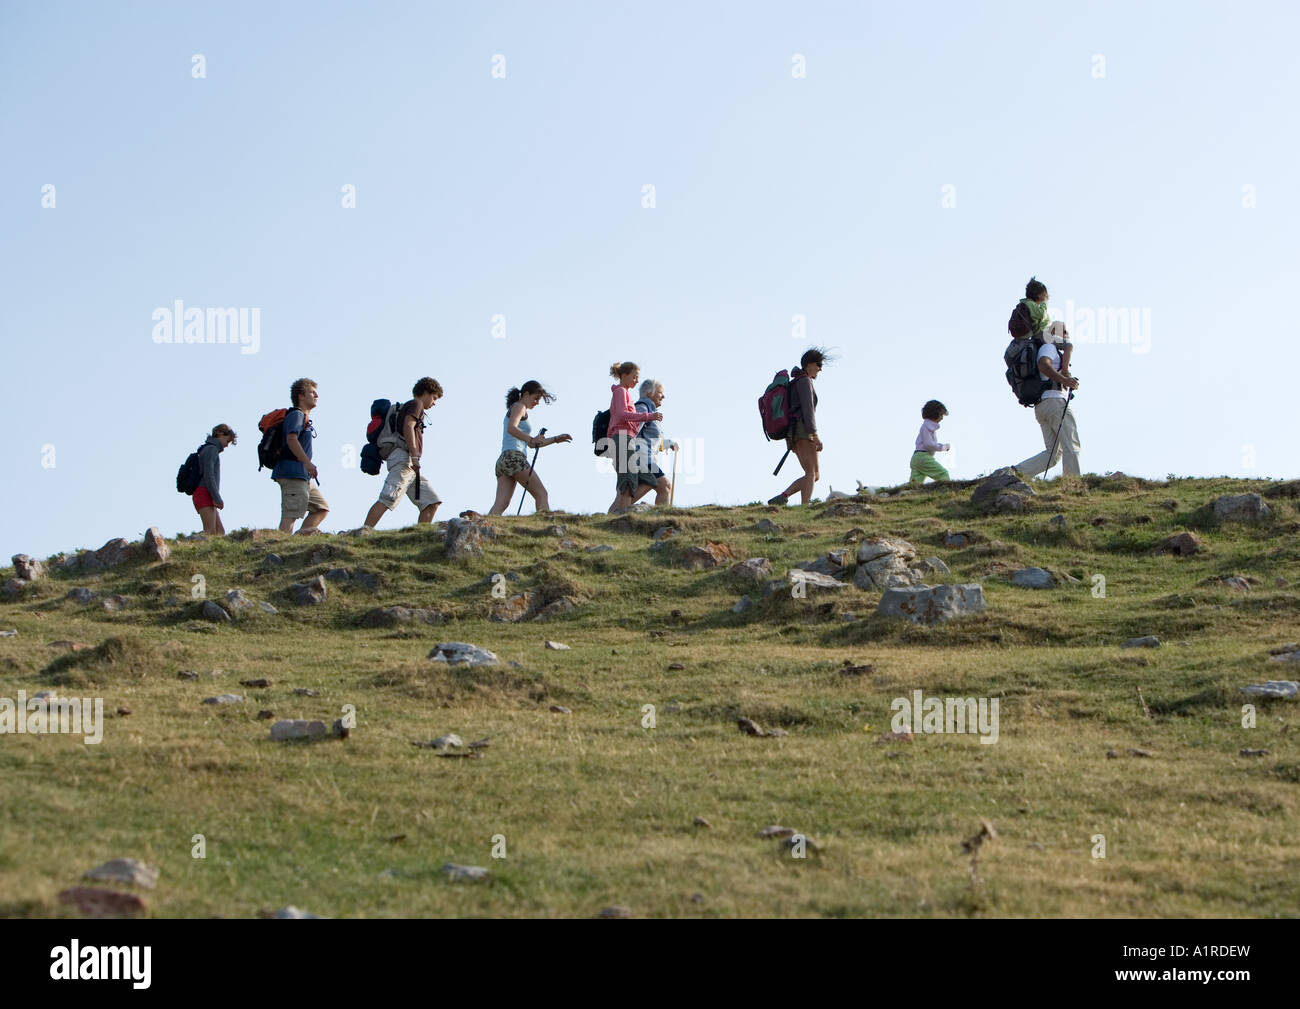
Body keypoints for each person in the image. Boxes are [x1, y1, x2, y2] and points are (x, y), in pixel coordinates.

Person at [363, 377, 444, 529]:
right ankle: (364, 531)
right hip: (404, 459)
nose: (434, 403)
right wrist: (414, 456)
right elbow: (408, 426)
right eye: (434, 398)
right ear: (425, 392)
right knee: (388, 497)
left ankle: (420, 537)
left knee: (431, 502)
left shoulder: (411, 405)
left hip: (409, 464)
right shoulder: (416, 404)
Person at [488, 381, 571, 515]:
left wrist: (555, 439)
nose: (537, 402)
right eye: (536, 398)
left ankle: (485, 525)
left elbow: (532, 444)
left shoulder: (517, 408)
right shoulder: (520, 407)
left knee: (501, 503)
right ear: (526, 394)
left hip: (504, 459)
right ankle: (545, 525)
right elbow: (511, 428)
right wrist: (531, 439)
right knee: (541, 494)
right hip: (515, 457)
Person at [1014, 325, 1081, 477]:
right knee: (1071, 444)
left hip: (1043, 405)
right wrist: (1064, 379)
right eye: (1064, 331)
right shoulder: (1049, 347)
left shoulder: (1049, 348)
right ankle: (1073, 484)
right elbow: (1043, 364)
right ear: (1053, 333)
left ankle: (1016, 473)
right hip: (1055, 402)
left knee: (1053, 454)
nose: (1067, 334)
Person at [768, 348, 827, 506]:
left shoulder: (795, 383)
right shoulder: (804, 381)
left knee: (814, 474)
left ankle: (784, 496)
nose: (821, 368)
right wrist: (815, 436)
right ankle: (804, 506)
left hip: (793, 433)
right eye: (819, 364)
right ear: (809, 365)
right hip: (803, 431)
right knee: (810, 472)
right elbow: (808, 411)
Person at [273, 378, 329, 534]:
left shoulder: (301, 417)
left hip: (302, 475)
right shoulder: (297, 415)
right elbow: (291, 439)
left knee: (321, 508)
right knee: (290, 515)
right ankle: (281, 549)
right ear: (301, 396)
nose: (316, 395)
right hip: (293, 472)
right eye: (312, 392)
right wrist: (307, 463)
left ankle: (300, 539)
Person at [607, 362, 661, 513]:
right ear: (624, 376)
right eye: (634, 377)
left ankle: (617, 512)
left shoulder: (624, 392)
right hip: (622, 438)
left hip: (628, 440)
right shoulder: (620, 392)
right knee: (628, 481)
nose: (637, 381)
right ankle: (622, 515)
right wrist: (649, 416)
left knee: (649, 479)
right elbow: (621, 414)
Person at [629, 379, 678, 507]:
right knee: (665, 485)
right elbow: (632, 432)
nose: (664, 396)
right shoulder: (642, 408)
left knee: (644, 487)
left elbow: (652, 442)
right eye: (660, 392)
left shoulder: (650, 411)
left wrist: (670, 444)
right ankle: (662, 518)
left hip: (645, 458)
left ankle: (618, 509)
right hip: (641, 458)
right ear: (649, 393)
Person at [194, 424, 236, 535]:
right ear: (221, 434)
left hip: (206, 493)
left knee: (219, 532)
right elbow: (209, 476)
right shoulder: (211, 450)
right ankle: (192, 543)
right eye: (228, 441)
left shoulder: (208, 449)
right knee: (210, 532)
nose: (227, 445)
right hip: (204, 492)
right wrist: (217, 498)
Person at [909, 401, 951, 484]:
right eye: (941, 415)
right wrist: (942, 447)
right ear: (934, 414)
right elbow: (928, 444)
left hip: (917, 458)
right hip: (923, 457)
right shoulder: (927, 427)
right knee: (943, 474)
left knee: (915, 484)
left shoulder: (928, 427)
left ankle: (908, 493)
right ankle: (945, 492)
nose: (942, 418)